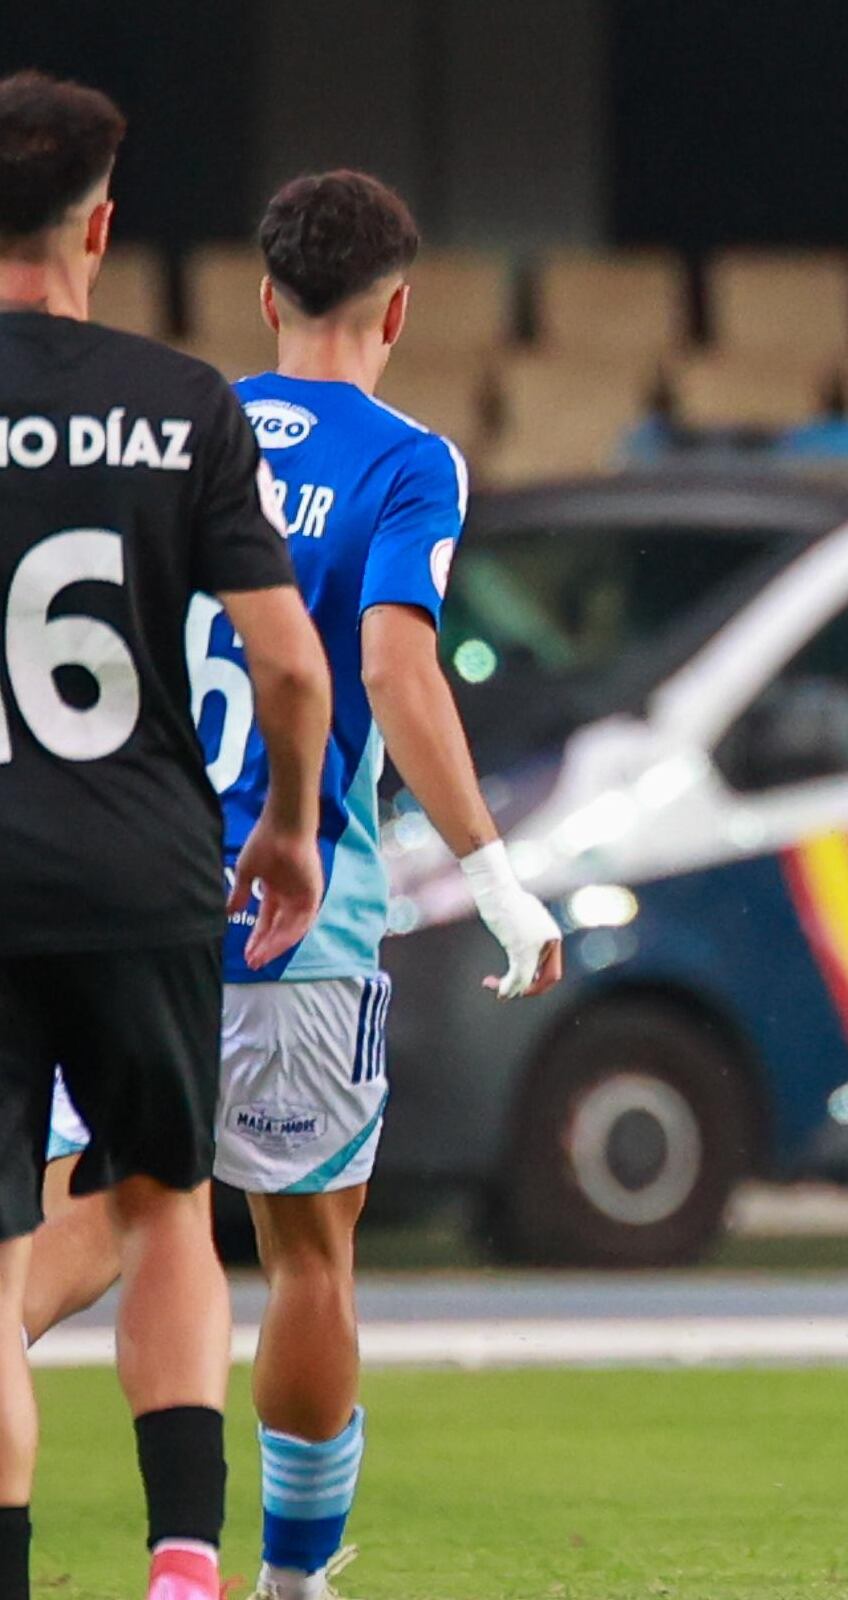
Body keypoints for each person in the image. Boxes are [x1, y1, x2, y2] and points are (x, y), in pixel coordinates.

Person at [25, 169, 564, 1600]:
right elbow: (393, 661)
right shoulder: (407, 462)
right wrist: (495, 874)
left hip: (127, 893)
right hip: (296, 910)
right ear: (400, 306)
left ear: (264, 300)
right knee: (306, 1251)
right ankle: (293, 1583)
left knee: (93, 1214)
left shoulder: (170, 429)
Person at [0, 70, 332, 1600]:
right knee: (165, 1205)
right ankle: (186, 1559)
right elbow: (288, 663)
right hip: (143, 868)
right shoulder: (180, 403)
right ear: (103, 221)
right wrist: (284, 827)